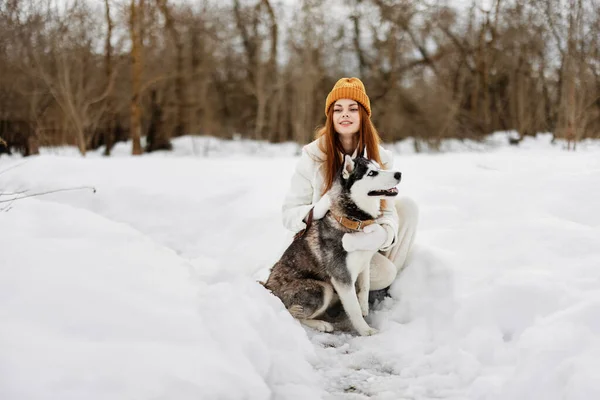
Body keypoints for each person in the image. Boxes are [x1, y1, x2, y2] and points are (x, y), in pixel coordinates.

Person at [281, 77, 419, 294]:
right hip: (328, 247)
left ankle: (377, 290)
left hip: (364, 240)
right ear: (331, 117)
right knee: (383, 274)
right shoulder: (313, 156)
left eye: (353, 108)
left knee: (407, 208)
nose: (345, 114)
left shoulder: (381, 158)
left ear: (363, 116)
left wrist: (383, 234)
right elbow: (288, 215)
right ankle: (343, 288)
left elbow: (387, 211)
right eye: (338, 109)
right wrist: (321, 207)